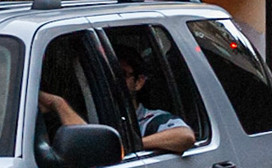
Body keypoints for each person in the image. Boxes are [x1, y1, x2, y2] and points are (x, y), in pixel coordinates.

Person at [42, 53, 197, 154]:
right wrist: (58, 104)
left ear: (139, 82)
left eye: (121, 74)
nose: (113, 80)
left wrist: (131, 144)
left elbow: (185, 136)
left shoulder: (152, 120)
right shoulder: (88, 114)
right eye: (107, 74)